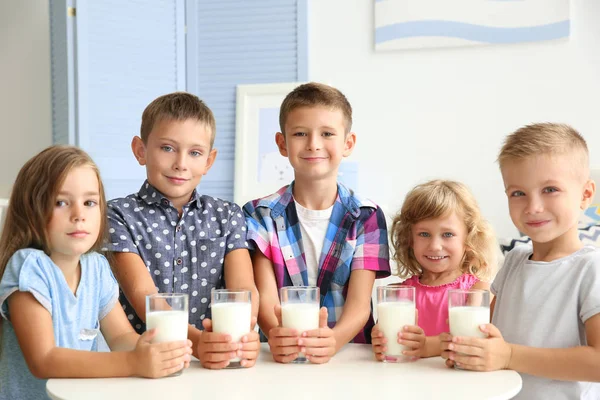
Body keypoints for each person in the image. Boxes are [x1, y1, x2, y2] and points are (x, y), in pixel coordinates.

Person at [0, 146, 192, 399]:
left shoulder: (96, 268)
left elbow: (121, 336)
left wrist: (153, 352)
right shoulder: (30, 267)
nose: (79, 215)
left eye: (89, 202)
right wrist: (133, 363)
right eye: (61, 202)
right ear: (31, 210)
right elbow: (44, 360)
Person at [441, 123, 600, 399]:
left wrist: (509, 355)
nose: (533, 206)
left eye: (550, 189)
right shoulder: (514, 261)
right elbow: (487, 334)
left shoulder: (590, 269)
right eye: (518, 193)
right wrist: (465, 348)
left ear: (586, 194)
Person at [105, 92, 259, 370]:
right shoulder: (116, 215)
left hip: (219, 362)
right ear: (141, 150)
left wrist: (242, 336)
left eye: (195, 153)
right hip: (147, 365)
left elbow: (243, 289)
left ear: (209, 161)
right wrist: (198, 343)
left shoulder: (228, 215)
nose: (181, 163)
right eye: (167, 148)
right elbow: (144, 296)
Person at [244, 82, 391, 364]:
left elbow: (359, 305)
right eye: (300, 133)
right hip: (280, 355)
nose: (313, 143)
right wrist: (279, 336)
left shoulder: (367, 216)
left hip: (349, 355)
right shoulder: (258, 214)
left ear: (348, 144)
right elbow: (265, 298)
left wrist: (332, 342)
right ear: (282, 143)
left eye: (327, 134)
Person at [372, 180, 496, 360]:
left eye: (447, 234)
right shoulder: (399, 295)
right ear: (410, 239)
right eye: (424, 234)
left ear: (469, 238)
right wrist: (379, 342)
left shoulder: (477, 291)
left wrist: (426, 347)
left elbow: (471, 340)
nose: (435, 246)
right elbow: (388, 347)